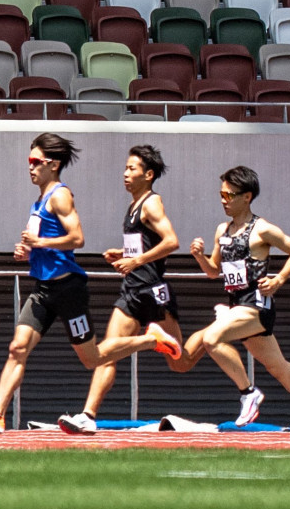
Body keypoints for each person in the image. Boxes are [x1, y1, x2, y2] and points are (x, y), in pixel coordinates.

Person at [0, 134, 180, 434]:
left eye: (35, 162)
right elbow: (47, 244)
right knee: (17, 347)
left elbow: (77, 238)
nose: (30, 168)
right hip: (42, 289)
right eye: (29, 161)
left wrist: (41, 241)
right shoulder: (39, 201)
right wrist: (27, 251)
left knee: (92, 359)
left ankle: (151, 340)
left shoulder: (60, 196)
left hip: (67, 289)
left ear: (53, 165)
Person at [171, 166, 290, 447]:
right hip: (237, 305)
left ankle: (248, 393)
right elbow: (214, 272)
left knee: (211, 338)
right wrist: (199, 257)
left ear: (246, 197)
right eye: (221, 194)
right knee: (280, 369)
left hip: (257, 306)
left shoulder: (262, 229)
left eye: (229, 195)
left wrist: (279, 280)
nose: (223, 199)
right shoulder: (222, 230)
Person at [58, 145, 191, 434]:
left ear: (149, 174)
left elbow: (171, 242)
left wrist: (137, 260)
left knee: (180, 361)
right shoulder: (133, 205)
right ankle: (87, 415)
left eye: (132, 169)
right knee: (105, 352)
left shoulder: (152, 203)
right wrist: (123, 254)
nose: (125, 174)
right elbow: (146, 244)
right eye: (125, 168)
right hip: (132, 290)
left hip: (154, 291)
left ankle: (213, 338)